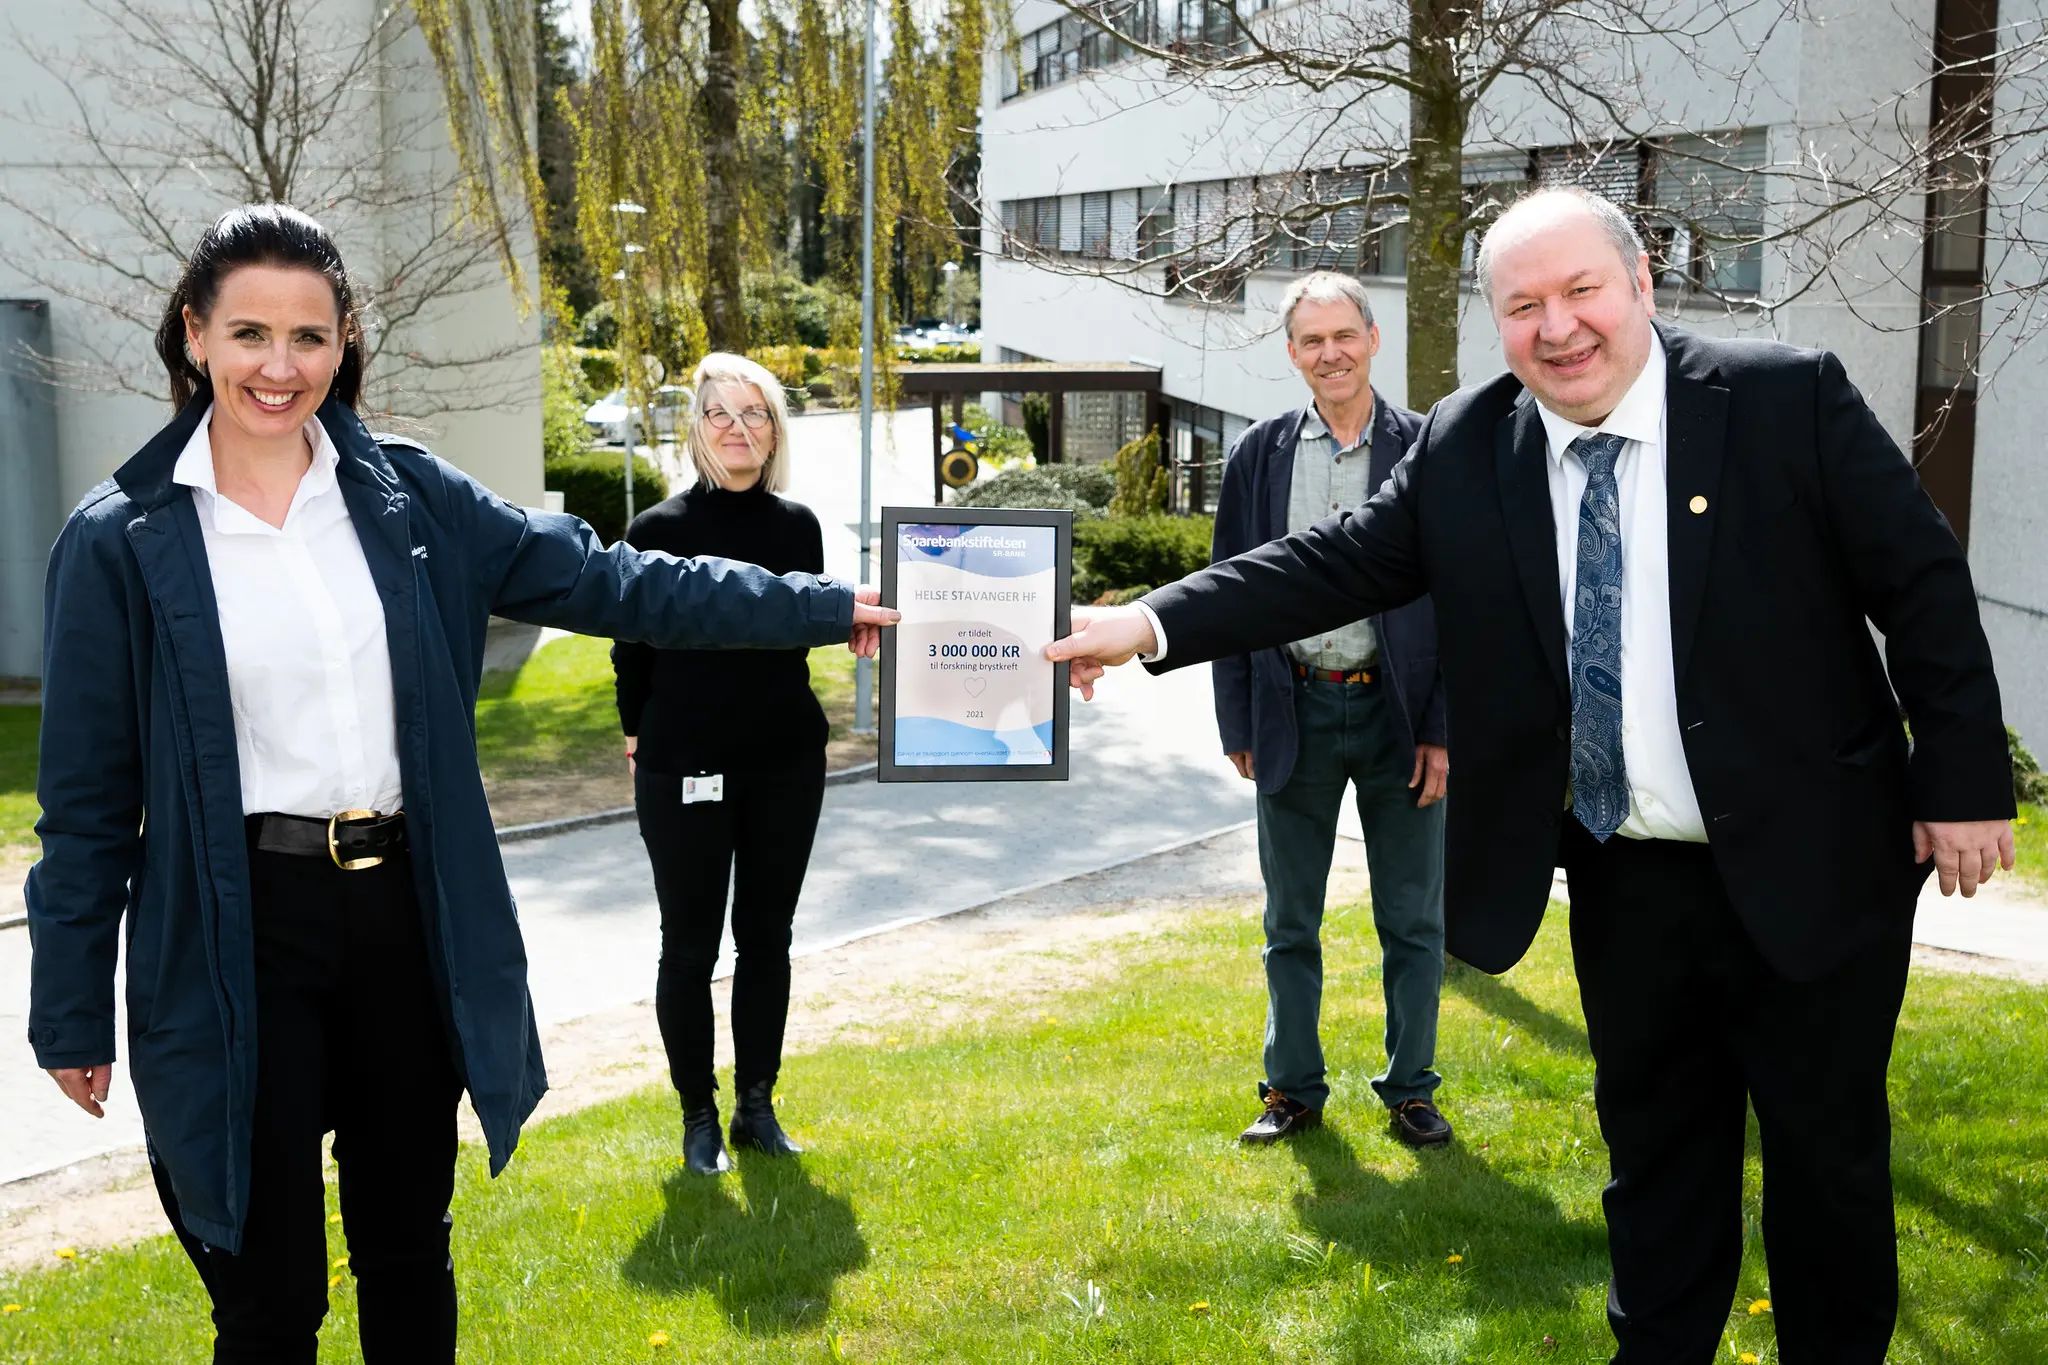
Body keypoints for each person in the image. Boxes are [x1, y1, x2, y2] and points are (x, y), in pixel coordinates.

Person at [1048, 187, 2015, 1363]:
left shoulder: (1779, 397)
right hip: (1626, 879)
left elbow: (1916, 580)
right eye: (1522, 306)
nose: (1555, 329)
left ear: (1640, 287)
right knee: (1654, 1167)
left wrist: (1958, 781)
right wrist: (1146, 623)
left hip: (1814, 866)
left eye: (1578, 292)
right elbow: (1331, 563)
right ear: (1495, 323)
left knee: (1825, 1170)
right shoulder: (1471, 442)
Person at [24, 204, 894, 1365]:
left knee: (405, 1255)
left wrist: (827, 608)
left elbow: (620, 583)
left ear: (344, 346)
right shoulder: (120, 538)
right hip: (239, 933)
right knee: (268, 1297)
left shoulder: (412, 502)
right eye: (248, 335)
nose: (278, 369)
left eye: (309, 337)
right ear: (193, 337)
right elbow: (84, 805)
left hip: (402, 920)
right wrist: (72, 1005)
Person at [1211, 271, 1453, 1149]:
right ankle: (1292, 1090)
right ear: (1292, 354)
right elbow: (1229, 592)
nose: (1330, 353)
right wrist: (1236, 720)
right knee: (1289, 922)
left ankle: (1411, 1088)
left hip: (1400, 722)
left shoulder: (1430, 448)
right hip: (1294, 710)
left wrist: (1443, 730)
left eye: (1343, 335)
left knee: (1413, 920)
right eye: (1311, 341)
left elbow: (1465, 601)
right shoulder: (1260, 455)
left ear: (1373, 337)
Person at [613, 353, 829, 1176]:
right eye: (721, 415)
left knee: (767, 938)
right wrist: (638, 736)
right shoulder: (657, 531)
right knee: (690, 945)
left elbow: (804, 629)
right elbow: (629, 646)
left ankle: (756, 1107)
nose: (738, 430)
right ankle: (698, 1116)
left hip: (784, 759)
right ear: (696, 428)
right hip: (685, 763)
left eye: (756, 415)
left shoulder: (797, 526)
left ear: (775, 429)